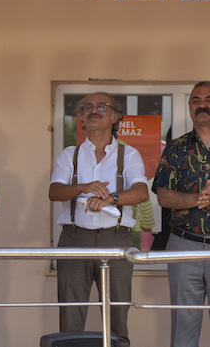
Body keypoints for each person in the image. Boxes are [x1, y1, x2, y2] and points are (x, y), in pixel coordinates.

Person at [49, 92, 148, 347]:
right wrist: (83, 187)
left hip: (116, 239)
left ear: (115, 117)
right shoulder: (69, 154)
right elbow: (54, 192)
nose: (93, 110)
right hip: (74, 238)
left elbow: (141, 192)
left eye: (101, 106)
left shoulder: (129, 154)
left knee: (117, 320)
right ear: (81, 117)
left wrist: (111, 198)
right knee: (70, 319)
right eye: (87, 107)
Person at [152, 81, 210, 347]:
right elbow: (163, 196)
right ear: (189, 107)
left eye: (208, 99)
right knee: (184, 331)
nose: (202, 105)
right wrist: (199, 199)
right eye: (195, 100)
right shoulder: (176, 147)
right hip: (185, 244)